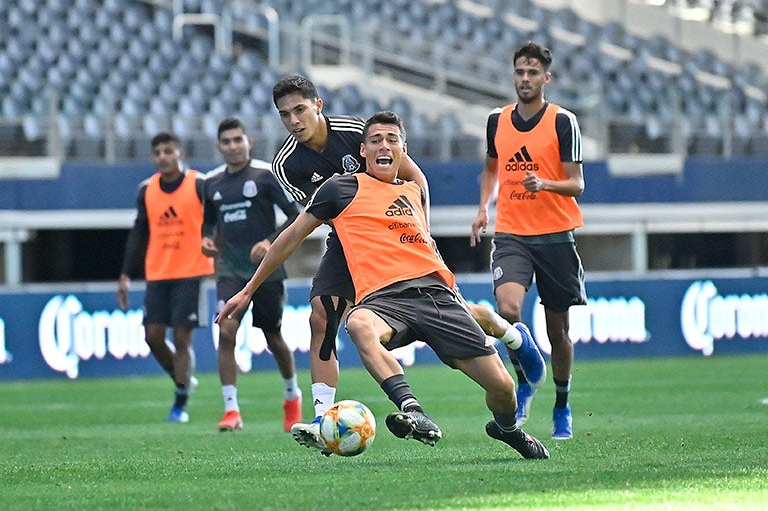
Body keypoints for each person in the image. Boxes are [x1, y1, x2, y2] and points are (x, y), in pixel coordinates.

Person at [218, 111, 549, 459]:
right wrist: (248, 289)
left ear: (402, 151)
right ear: (362, 151)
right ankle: (413, 410)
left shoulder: (414, 192)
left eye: (391, 140)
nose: (383, 146)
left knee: (503, 387)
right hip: (384, 301)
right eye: (375, 140)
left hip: (436, 295)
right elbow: (292, 236)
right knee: (357, 323)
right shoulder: (339, 189)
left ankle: (508, 428)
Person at [470, 42, 587, 440]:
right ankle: (525, 378)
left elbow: (577, 183)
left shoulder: (562, 122)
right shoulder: (496, 120)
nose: (525, 79)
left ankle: (562, 405)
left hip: (555, 236)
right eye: (520, 71)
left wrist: (546, 184)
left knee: (558, 331)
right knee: (507, 308)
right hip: (512, 233)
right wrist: (484, 207)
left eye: (533, 73)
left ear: (546, 78)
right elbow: (491, 169)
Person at [202, 117, 303, 432]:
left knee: (273, 337)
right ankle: (231, 410)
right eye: (227, 142)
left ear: (249, 142)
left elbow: (295, 217)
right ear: (219, 147)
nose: (233, 146)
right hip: (230, 271)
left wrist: (269, 242)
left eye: (237, 140)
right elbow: (209, 222)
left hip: (266, 272)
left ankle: (292, 396)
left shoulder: (265, 176)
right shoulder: (211, 183)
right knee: (227, 331)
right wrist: (206, 239)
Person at [117, 131, 214, 423]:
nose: (163, 157)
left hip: (191, 271)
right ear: (152, 157)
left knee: (182, 337)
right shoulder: (146, 190)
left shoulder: (198, 184)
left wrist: (213, 244)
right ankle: (182, 379)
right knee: (152, 336)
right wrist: (124, 274)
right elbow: (138, 233)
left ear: (180, 154)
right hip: (158, 273)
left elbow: (215, 220)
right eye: (157, 152)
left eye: (168, 151)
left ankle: (180, 404)